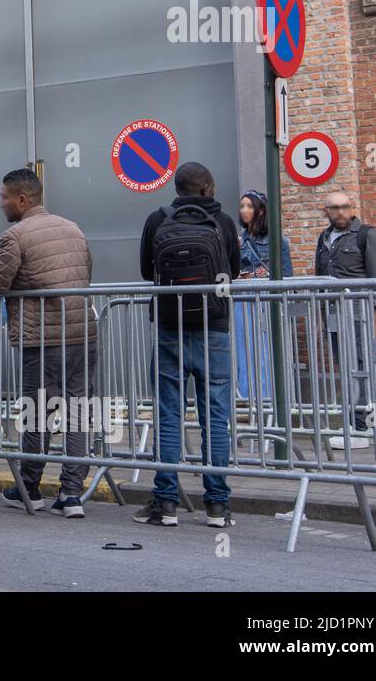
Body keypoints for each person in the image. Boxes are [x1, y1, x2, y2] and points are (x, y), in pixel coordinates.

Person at [0, 168, 96, 518]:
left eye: (4, 197)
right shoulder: (74, 228)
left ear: (22, 200)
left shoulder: (15, 236)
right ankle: (71, 494)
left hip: (42, 338)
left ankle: (30, 486)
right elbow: (87, 272)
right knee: (77, 413)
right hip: (83, 334)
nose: (1, 203)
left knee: (37, 412)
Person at [135, 162, 240, 528]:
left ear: (177, 188)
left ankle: (165, 503)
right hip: (215, 328)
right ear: (208, 187)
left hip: (169, 327)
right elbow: (234, 271)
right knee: (216, 417)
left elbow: (148, 272)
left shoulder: (157, 218)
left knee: (168, 415)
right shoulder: (224, 222)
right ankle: (218, 506)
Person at [314, 190, 376, 449]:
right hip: (336, 316)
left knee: (361, 367)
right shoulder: (324, 238)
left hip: (361, 316)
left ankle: (364, 428)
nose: (340, 212)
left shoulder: (368, 236)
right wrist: (323, 319)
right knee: (347, 367)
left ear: (352, 207)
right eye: (334, 208)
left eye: (344, 207)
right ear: (325, 211)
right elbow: (321, 279)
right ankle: (362, 424)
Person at [234, 190, 293, 400]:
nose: (244, 210)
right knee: (244, 352)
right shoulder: (240, 239)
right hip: (242, 302)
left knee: (266, 352)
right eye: (242, 206)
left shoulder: (277, 240)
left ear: (261, 211)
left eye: (250, 206)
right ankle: (249, 399)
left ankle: (268, 401)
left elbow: (286, 274)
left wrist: (258, 275)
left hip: (266, 302)